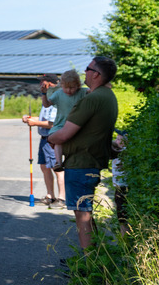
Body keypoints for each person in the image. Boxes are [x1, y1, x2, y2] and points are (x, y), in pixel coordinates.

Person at [48, 56, 119, 252]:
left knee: (82, 216)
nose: (84, 72)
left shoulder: (92, 99)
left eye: (88, 68)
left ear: (96, 74)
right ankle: (95, 258)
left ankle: (89, 265)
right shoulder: (107, 95)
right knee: (85, 213)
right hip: (91, 161)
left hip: (81, 163)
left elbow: (64, 135)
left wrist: (51, 138)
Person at [22, 74, 62, 207]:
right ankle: (50, 195)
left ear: (50, 84)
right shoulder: (47, 97)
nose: (40, 85)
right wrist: (31, 118)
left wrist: (35, 123)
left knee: (57, 167)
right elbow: (44, 118)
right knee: (44, 166)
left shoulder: (56, 98)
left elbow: (52, 123)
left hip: (52, 138)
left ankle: (61, 198)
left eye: (42, 82)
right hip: (44, 137)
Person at [43, 69, 86, 173]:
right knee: (57, 140)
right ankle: (58, 162)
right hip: (61, 124)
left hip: (77, 124)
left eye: (72, 87)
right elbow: (47, 105)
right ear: (61, 85)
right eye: (66, 87)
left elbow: (93, 91)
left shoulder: (83, 92)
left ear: (78, 85)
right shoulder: (58, 94)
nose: (69, 90)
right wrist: (43, 94)